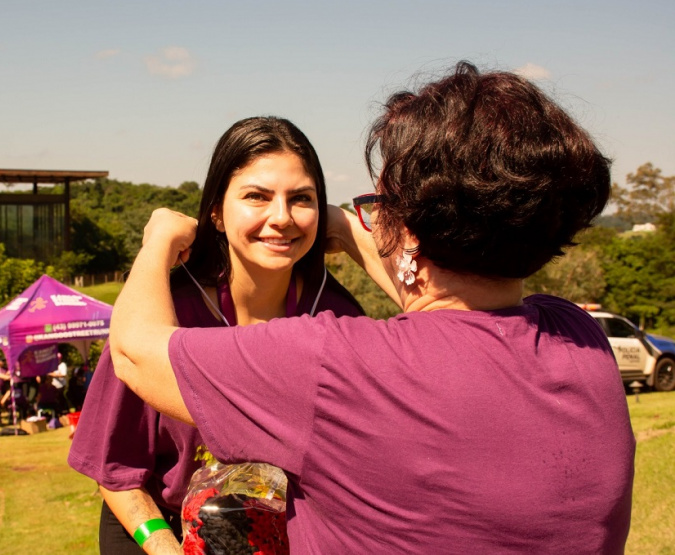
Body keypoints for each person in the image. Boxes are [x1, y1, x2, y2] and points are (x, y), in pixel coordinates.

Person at [108, 62, 635, 553]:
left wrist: (156, 240)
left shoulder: (335, 363)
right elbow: (454, 304)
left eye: (378, 205)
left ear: (407, 228)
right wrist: (369, 238)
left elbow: (134, 352)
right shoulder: (581, 338)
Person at [69, 116, 365, 554]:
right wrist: (166, 547)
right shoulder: (162, 314)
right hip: (161, 530)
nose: (281, 218)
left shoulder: (337, 317)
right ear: (216, 213)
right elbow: (117, 471)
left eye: (301, 199)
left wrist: (345, 227)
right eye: (256, 197)